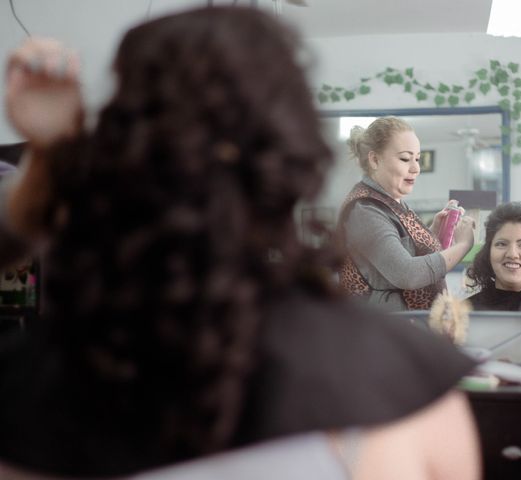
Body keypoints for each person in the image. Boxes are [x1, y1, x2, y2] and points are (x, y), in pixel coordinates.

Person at [0, 7, 481, 479]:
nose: (414, 168)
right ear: (296, 155)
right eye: (406, 158)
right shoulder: (411, 391)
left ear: (117, 148)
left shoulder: (31, 390)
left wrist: (54, 154)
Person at [337, 117, 476, 311]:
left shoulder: (392, 202)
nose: (416, 168)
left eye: (417, 159)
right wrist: (463, 245)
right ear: (375, 159)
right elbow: (407, 274)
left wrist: (435, 232)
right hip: (384, 330)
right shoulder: (364, 211)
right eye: (405, 158)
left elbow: (398, 254)